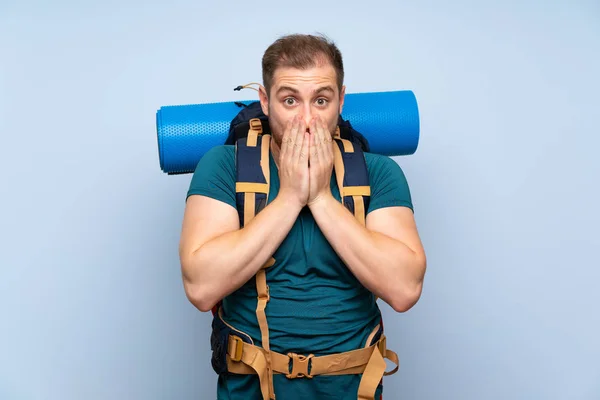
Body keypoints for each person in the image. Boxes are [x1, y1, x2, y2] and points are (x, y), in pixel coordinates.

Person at [178, 33, 427, 400]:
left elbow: (405, 290)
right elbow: (201, 287)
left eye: (321, 100)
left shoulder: (378, 173)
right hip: (253, 390)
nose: (307, 120)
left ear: (341, 101)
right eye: (290, 100)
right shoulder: (223, 166)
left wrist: (322, 197)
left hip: (352, 389)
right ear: (265, 101)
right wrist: (291, 197)